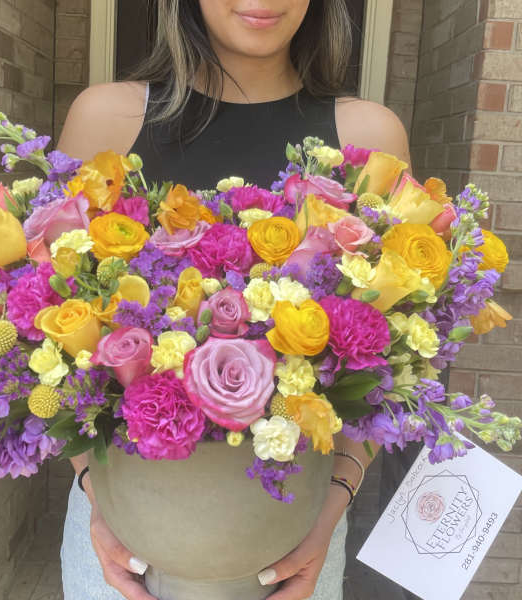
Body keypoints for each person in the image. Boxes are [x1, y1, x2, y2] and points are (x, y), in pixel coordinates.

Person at [56, 1, 411, 598]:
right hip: (122, 543)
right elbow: (50, 330)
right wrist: (98, 496)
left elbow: (392, 356)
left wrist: (331, 508)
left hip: (293, 547)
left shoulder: (370, 136)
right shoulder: (107, 119)